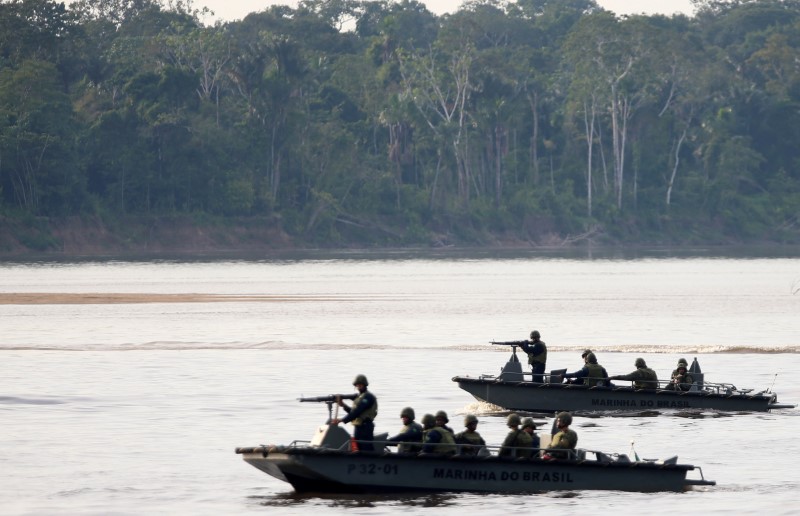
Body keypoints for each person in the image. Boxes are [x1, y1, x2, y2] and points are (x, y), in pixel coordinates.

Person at [331, 374, 378, 452]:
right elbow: (354, 413)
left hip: (365, 427)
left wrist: (342, 420)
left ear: (365, 385)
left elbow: (357, 411)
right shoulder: (359, 396)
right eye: (357, 385)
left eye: (360, 385)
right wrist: (343, 405)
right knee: (358, 448)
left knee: (366, 449)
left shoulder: (368, 397)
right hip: (358, 427)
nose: (358, 387)